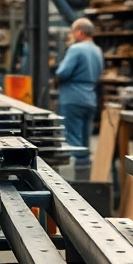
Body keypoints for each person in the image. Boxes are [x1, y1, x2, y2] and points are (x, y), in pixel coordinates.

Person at [55, 18, 104, 164]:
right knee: (85, 141)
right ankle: (86, 174)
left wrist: (56, 79)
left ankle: (75, 180)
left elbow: (62, 73)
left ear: (79, 32)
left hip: (73, 98)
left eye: (73, 31)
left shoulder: (76, 49)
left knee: (73, 140)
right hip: (90, 98)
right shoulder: (97, 50)